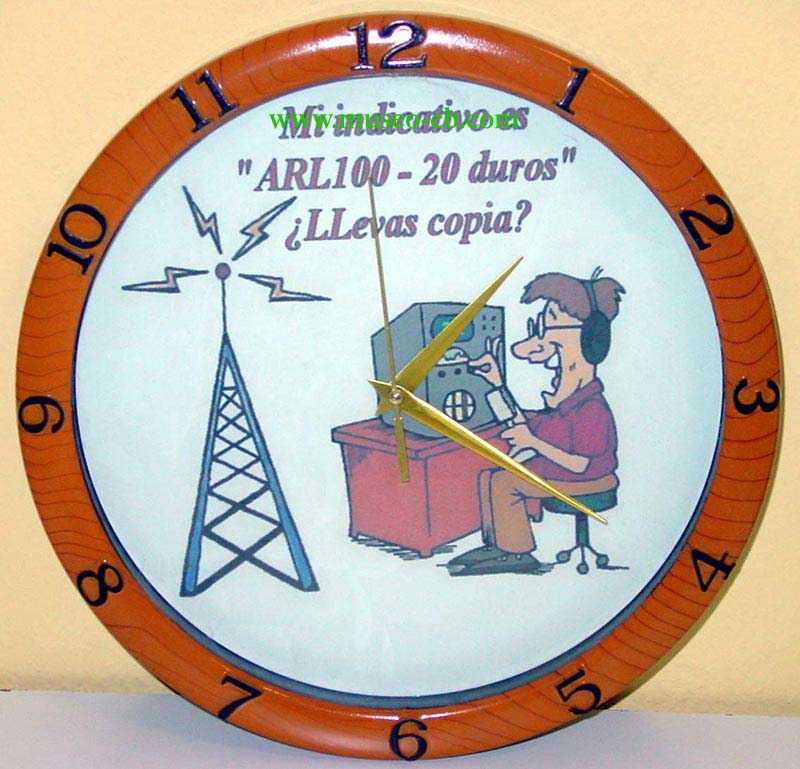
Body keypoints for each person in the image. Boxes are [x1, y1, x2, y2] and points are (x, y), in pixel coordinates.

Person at [449, 269, 625, 576]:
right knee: (491, 476)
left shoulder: (591, 408)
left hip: (592, 479)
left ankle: (518, 553)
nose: (540, 340)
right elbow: (523, 426)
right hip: (568, 471)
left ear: (587, 338)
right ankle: (498, 544)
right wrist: (497, 383)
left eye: (548, 325)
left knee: (505, 482)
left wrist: (534, 444)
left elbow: (581, 465)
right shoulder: (563, 403)